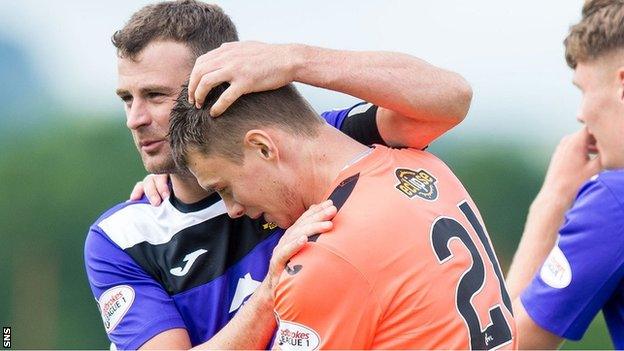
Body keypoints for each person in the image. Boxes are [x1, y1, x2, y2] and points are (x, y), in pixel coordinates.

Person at [84, 0, 473, 349]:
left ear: (216, 81)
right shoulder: (123, 237)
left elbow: (450, 97)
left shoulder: (310, 151)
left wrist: (296, 61)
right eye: (126, 99)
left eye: (155, 96)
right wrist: (271, 289)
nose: (135, 119)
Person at [168, 81, 515, 348]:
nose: (233, 209)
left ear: (263, 147)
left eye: (225, 187)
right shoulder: (427, 168)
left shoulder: (325, 255)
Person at [506, 0, 624, 348]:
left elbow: (503, 344)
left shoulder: (614, 199)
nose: (581, 114)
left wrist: (553, 200)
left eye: (583, 90)